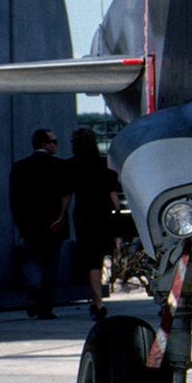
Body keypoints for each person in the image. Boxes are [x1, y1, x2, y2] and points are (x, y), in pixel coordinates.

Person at [9, 129, 72, 319]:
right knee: (51, 266)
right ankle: (46, 307)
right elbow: (66, 194)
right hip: (54, 225)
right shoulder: (60, 166)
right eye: (54, 141)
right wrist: (60, 218)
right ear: (45, 144)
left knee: (31, 260)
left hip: (30, 225)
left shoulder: (19, 167)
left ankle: (33, 289)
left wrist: (20, 222)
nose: (56, 145)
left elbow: (14, 199)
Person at [69, 129, 122, 320]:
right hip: (102, 214)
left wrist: (61, 216)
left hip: (83, 214)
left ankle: (97, 300)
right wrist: (117, 213)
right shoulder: (103, 164)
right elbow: (113, 194)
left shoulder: (72, 165)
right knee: (98, 256)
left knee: (89, 258)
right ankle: (97, 300)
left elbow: (67, 194)